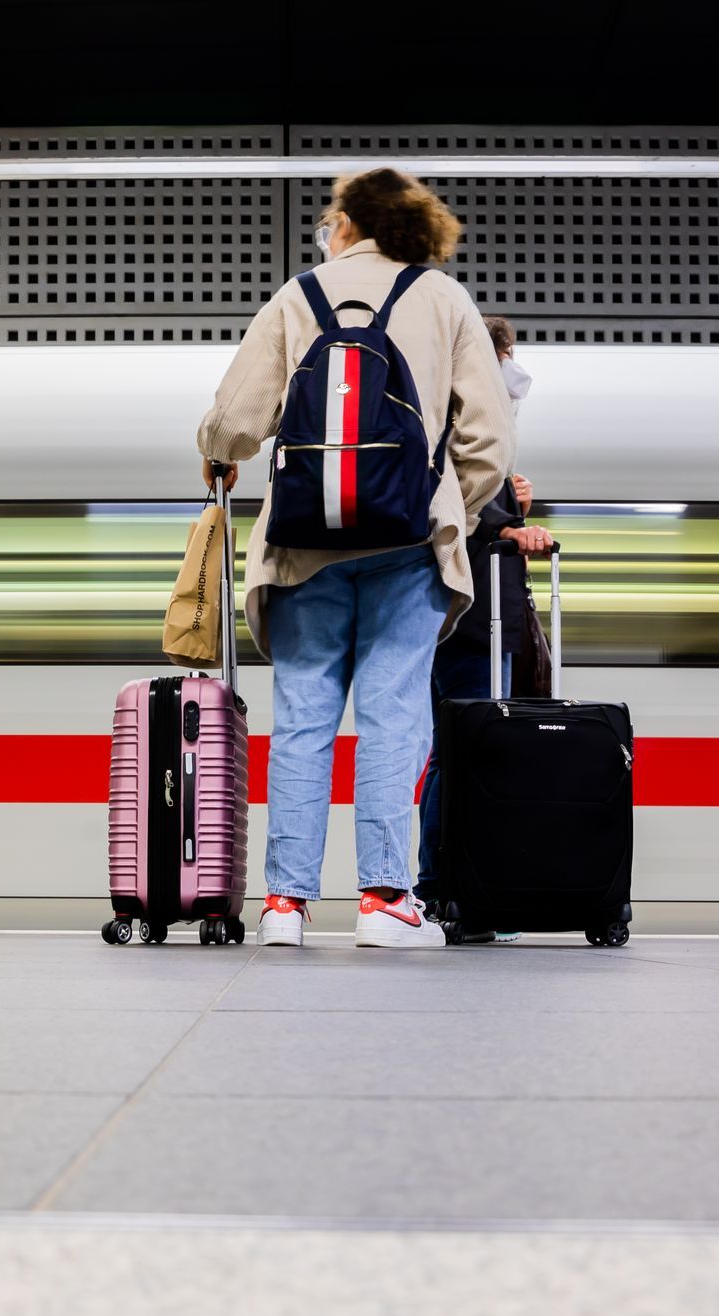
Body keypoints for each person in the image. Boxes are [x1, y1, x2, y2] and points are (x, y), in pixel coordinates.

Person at [198, 169, 514, 949]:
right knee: (392, 719)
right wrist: (446, 512)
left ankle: (284, 909)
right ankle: (383, 904)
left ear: (346, 223)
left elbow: (232, 424)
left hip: (303, 546)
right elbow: (489, 445)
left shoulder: (296, 295)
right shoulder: (444, 300)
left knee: (303, 720)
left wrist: (220, 453)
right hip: (410, 549)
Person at [413, 316, 554, 928]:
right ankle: (455, 893)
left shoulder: (443, 423)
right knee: (468, 755)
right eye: (507, 359)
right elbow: (455, 517)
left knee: (453, 754)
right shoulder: (460, 426)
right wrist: (507, 526)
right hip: (474, 622)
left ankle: (446, 888)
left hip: (455, 617)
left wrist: (512, 507)